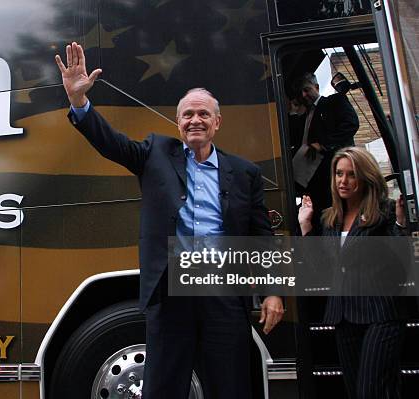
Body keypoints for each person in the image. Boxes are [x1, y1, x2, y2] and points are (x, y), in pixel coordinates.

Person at [55, 42, 284, 399]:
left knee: (231, 383)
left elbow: (261, 234)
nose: (195, 120)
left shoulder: (244, 172)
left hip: (223, 288)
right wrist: (79, 102)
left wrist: (272, 290)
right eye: (188, 114)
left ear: (217, 122)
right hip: (170, 288)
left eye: (203, 114)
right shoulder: (155, 153)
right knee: (164, 386)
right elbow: (112, 144)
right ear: (178, 123)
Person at [298, 146, 408, 399]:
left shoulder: (385, 213)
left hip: (380, 315)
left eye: (351, 175)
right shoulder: (330, 219)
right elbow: (322, 271)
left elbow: (401, 265)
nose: (343, 181)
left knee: (372, 390)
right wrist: (305, 227)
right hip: (344, 316)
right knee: (355, 389)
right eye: (338, 174)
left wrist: (401, 224)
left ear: (365, 177)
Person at [294, 72, 360, 227]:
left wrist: (323, 144)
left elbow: (351, 124)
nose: (304, 95)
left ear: (316, 87)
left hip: (333, 174)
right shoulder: (304, 116)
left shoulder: (334, 102)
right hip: (310, 179)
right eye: (300, 92)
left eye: (306, 89)